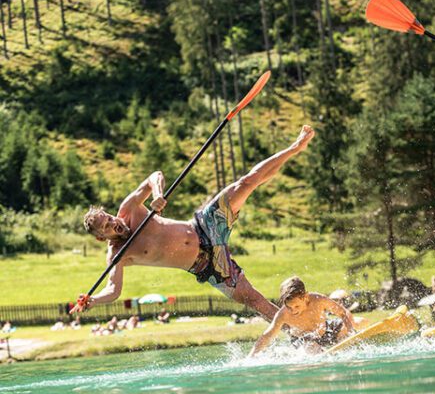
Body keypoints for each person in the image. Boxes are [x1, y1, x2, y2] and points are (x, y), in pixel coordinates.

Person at [71, 125, 316, 320]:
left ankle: (295, 147)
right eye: (107, 227)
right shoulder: (117, 255)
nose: (115, 223)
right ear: (101, 237)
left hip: (206, 225)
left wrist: (157, 195)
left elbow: (154, 176)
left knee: (246, 182)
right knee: (253, 300)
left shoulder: (129, 209)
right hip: (207, 264)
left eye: (110, 218)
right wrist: (94, 301)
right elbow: (113, 290)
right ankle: (298, 331)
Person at [248, 276, 357, 356]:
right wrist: (251, 356)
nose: (293, 311)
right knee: (311, 348)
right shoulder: (283, 314)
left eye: (296, 306)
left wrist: (352, 332)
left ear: (305, 297)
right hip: (303, 340)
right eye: (289, 307)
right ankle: (324, 355)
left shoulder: (319, 300)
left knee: (359, 322)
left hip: (326, 332)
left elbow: (343, 313)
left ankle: (343, 343)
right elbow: (267, 335)